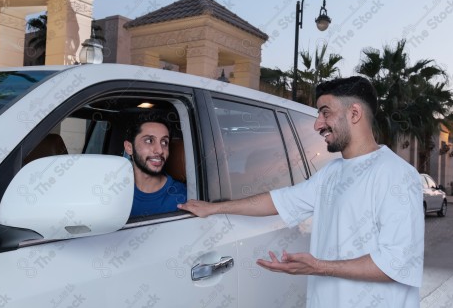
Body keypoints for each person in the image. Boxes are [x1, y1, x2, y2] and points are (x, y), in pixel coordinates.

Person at [178, 76, 424, 308]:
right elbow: (278, 201)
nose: (317, 124)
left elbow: (396, 264)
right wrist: (215, 207)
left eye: (325, 113)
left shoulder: (397, 175)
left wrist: (317, 266)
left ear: (355, 113)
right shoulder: (332, 173)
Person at [124, 113, 187, 217]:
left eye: (164, 142)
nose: (160, 150)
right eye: (149, 141)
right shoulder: (115, 190)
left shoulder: (182, 196)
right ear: (129, 147)